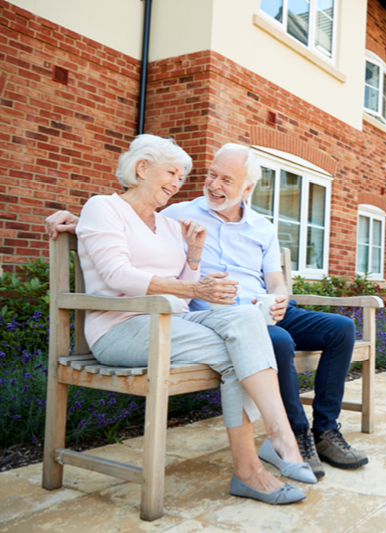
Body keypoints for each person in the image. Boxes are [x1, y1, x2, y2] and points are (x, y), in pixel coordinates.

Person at [46, 143, 368, 479]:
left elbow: (274, 280)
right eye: (211, 175)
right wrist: (79, 220)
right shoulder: (178, 213)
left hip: (256, 309)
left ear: (247, 189)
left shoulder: (255, 226)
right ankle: (292, 437)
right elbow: (126, 224)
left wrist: (279, 296)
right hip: (200, 316)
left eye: (226, 180)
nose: (214, 185)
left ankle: (324, 432)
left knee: (341, 328)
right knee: (274, 341)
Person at [72, 134, 315, 506]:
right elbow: (116, 274)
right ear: (142, 168)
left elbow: (186, 286)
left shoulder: (170, 225)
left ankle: (273, 444)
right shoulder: (103, 207)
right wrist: (194, 290)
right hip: (120, 328)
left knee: (246, 320)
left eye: (182, 177)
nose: (177, 184)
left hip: (172, 325)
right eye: (171, 172)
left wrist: (195, 257)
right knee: (241, 351)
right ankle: (266, 455)